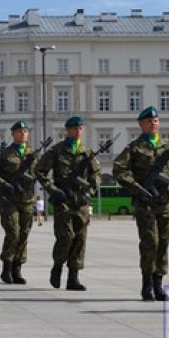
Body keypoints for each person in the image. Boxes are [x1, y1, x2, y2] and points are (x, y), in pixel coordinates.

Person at [112, 107, 169, 302]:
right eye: (149, 121)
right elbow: (119, 169)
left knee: (163, 243)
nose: (153, 123)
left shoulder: (168, 148)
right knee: (149, 243)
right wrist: (136, 187)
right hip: (145, 202)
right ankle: (146, 285)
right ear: (141, 124)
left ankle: (158, 285)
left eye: (156, 120)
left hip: (165, 203)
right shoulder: (134, 148)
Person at [35, 116, 101, 291]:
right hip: (63, 200)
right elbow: (40, 171)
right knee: (66, 237)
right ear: (68, 130)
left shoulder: (87, 153)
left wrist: (90, 192)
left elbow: (96, 176)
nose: (78, 130)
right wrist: (53, 190)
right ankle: (57, 266)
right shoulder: (56, 151)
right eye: (75, 128)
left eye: (80, 128)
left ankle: (73, 277)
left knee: (80, 239)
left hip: (81, 203)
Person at [0, 121, 40, 285]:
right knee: (13, 232)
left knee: (24, 234)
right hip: (9, 199)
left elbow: (39, 172)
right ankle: (6, 267)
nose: (23, 134)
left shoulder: (32, 154)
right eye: (19, 131)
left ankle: (17, 269)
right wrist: (4, 184)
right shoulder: (5, 154)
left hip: (26, 199)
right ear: (13, 134)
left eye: (25, 131)